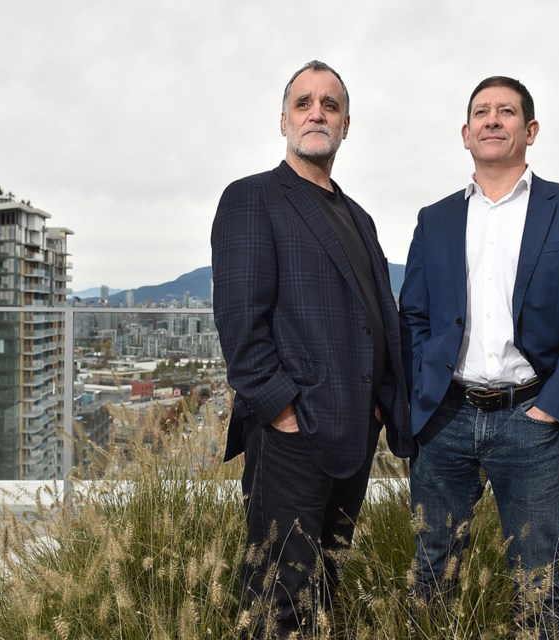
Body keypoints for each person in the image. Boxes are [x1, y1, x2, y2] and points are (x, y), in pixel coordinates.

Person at [399, 76, 559, 637]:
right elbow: (414, 316)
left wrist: (554, 409)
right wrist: (425, 395)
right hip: (445, 417)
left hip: (531, 417)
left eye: (506, 111)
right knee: (431, 573)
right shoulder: (435, 218)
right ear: (466, 134)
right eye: (481, 112)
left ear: (531, 129)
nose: (492, 119)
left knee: (538, 580)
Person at [211, 60, 412, 638]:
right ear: (283, 120)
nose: (317, 112)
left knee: (326, 587)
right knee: (279, 599)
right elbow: (240, 323)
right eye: (304, 103)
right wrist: (282, 413)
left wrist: (380, 405)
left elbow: (378, 321)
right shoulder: (252, 198)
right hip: (291, 439)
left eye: (330, 104)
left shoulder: (359, 216)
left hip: (353, 434)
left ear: (347, 124)